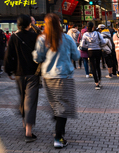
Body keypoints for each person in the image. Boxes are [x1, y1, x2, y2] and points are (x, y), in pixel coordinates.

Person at [33, 13, 80, 149]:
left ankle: (58, 125)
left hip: (47, 77)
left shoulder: (42, 39)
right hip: (64, 77)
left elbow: (37, 58)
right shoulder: (67, 38)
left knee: (57, 105)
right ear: (59, 24)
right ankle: (58, 137)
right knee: (63, 108)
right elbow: (76, 56)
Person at [4, 14, 39, 143]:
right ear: (29, 24)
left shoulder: (14, 37)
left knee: (23, 99)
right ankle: (28, 132)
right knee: (30, 101)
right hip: (32, 73)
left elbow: (8, 55)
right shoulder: (35, 37)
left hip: (19, 73)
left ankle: (25, 122)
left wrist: (8, 70)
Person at [80, 21, 106, 89]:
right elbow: (103, 42)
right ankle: (99, 81)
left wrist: (87, 46)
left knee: (93, 67)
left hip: (90, 51)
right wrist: (98, 43)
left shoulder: (85, 34)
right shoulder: (97, 33)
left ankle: (96, 83)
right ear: (93, 27)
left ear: (87, 27)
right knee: (98, 66)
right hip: (98, 50)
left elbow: (82, 45)